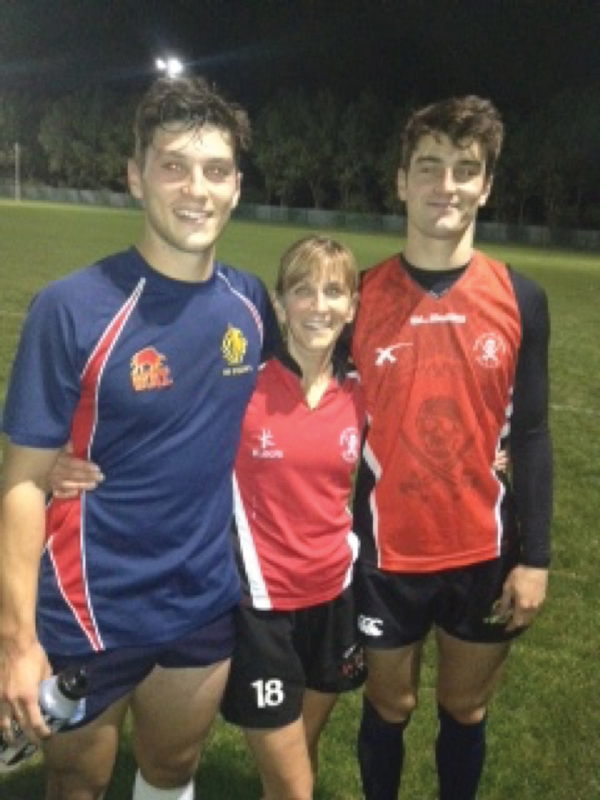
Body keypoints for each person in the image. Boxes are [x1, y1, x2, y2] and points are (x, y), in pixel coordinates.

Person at [0, 75, 280, 800]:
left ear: (237, 188)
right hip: (90, 607)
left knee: (172, 768)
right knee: (80, 784)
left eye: (216, 170)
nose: (196, 189)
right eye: (173, 166)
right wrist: (17, 641)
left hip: (200, 600)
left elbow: (326, 365)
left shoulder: (249, 303)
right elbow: (23, 481)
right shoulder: (72, 308)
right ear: (135, 176)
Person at [50, 235, 367, 800]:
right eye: (302, 290)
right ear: (279, 301)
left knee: (301, 761)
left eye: (334, 291)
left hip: (333, 594)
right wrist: (54, 458)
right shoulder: (244, 380)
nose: (319, 304)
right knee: (294, 786)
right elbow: (162, 419)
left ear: (353, 305)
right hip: (257, 601)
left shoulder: (361, 389)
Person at [351, 95, 552, 800]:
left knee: (464, 707)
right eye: (429, 167)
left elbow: (529, 431)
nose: (447, 185)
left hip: (484, 551)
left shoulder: (520, 296)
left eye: (465, 169)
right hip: (383, 557)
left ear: (486, 185)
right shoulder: (356, 296)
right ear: (402, 180)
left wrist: (537, 559)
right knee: (390, 705)